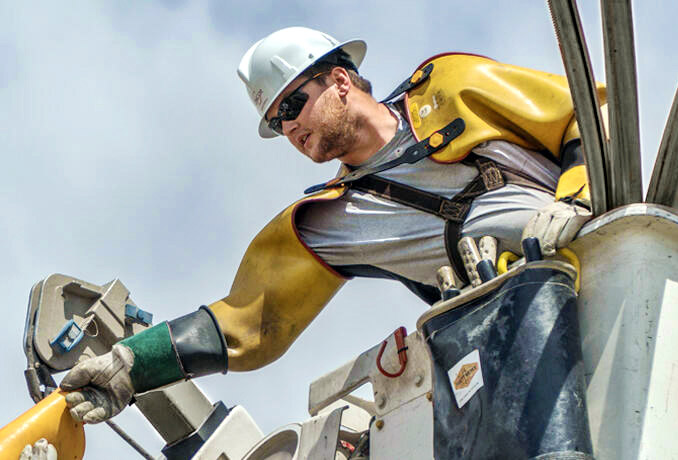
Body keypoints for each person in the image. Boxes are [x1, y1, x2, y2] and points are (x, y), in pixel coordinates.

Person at [57, 26, 597, 428]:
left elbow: (583, 114)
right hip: (516, 335)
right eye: (276, 122)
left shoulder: (451, 87)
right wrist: (129, 367)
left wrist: (576, 195)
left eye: (293, 103)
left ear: (340, 80)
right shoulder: (328, 219)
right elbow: (242, 323)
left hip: (600, 263)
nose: (290, 126)